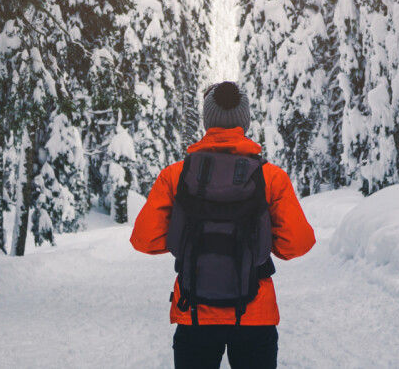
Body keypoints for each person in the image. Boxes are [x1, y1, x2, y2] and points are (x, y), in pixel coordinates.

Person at [131, 81, 316, 369]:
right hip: (254, 314)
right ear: (245, 120)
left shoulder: (176, 175)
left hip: (193, 312)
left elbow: (144, 240)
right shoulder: (270, 177)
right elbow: (296, 245)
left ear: (207, 121)